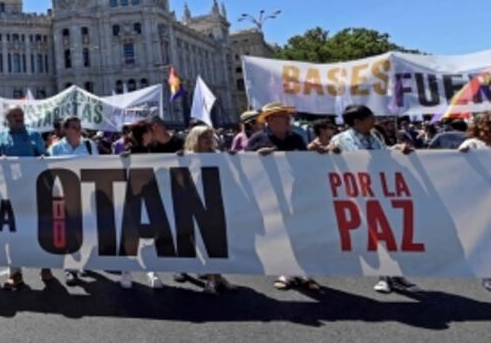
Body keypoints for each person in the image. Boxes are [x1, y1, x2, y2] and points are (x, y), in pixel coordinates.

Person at [331, 104, 420, 294]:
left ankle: (396, 275)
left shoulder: (375, 136)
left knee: (391, 234)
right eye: (370, 117)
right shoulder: (339, 141)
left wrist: (398, 148)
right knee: (374, 236)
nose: (375, 120)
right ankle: (383, 276)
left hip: (383, 192)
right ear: (357, 121)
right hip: (360, 195)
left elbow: (384, 153)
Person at [245, 102, 323, 292]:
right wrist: (256, 157)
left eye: (288, 117)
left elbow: (304, 163)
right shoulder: (257, 139)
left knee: (300, 233)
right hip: (270, 195)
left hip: (296, 193)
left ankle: (305, 272)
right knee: (279, 234)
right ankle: (285, 272)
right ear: (270, 120)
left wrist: (318, 155)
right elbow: (243, 165)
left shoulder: (296, 139)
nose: (289, 120)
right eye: (283, 116)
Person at [0, 106, 47, 290]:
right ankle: (15, 273)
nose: (19, 118)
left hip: (33, 189)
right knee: (13, 232)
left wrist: (42, 159)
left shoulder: (34, 134)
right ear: (7, 119)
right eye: (15, 116)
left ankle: (46, 266)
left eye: (21, 115)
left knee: (37, 230)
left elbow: (46, 157)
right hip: (11, 191)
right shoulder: (1, 136)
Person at [180, 125, 234, 295]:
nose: (209, 140)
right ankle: (213, 277)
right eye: (205, 137)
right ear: (195, 139)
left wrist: (234, 159)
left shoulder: (218, 156)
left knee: (217, 241)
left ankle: (217, 276)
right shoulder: (187, 157)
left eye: (211, 136)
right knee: (203, 242)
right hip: (196, 203)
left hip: (216, 203)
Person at [47, 116, 96, 284]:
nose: (77, 130)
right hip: (64, 196)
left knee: (87, 230)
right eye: (73, 127)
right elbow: (50, 169)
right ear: (65, 129)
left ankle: (86, 261)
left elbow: (98, 166)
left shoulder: (89, 145)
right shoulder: (57, 148)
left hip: (86, 193)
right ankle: (70, 268)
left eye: (79, 126)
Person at [118, 120, 166, 290]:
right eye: (149, 130)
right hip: (133, 198)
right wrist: (121, 160)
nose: (152, 133)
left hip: (152, 197)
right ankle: (126, 271)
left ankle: (151, 271)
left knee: (150, 236)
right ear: (143, 133)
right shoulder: (130, 151)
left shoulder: (154, 149)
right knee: (132, 235)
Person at [457, 112, 491, 291]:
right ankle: (488, 274)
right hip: (480, 198)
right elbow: (458, 169)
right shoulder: (471, 144)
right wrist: (461, 156)